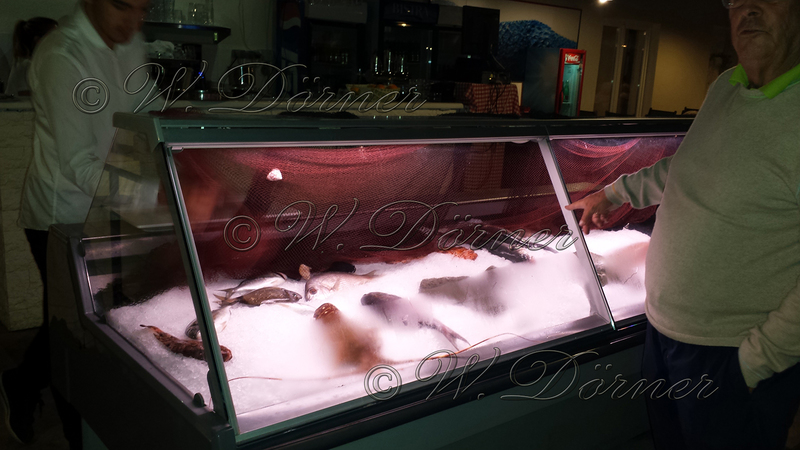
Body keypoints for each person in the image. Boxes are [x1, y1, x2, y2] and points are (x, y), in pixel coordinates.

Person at [566, 0, 800, 448]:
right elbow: (687, 166)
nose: (748, 10)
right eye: (736, 0)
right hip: (664, 335)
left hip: (733, 353)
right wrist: (613, 193)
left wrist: (756, 362)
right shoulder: (726, 86)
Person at [0, 0, 151, 447]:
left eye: (143, 9)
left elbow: (146, 107)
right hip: (62, 217)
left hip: (113, 208)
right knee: (73, 331)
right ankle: (77, 433)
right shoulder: (61, 55)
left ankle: (22, 383)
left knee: (92, 321)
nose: (134, 21)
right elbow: (79, 165)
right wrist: (154, 196)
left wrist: (179, 134)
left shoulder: (130, 42)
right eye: (122, 6)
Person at [3, 17, 58, 97]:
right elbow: (27, 97)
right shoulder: (27, 66)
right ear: (38, 41)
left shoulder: (32, 64)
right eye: (54, 37)